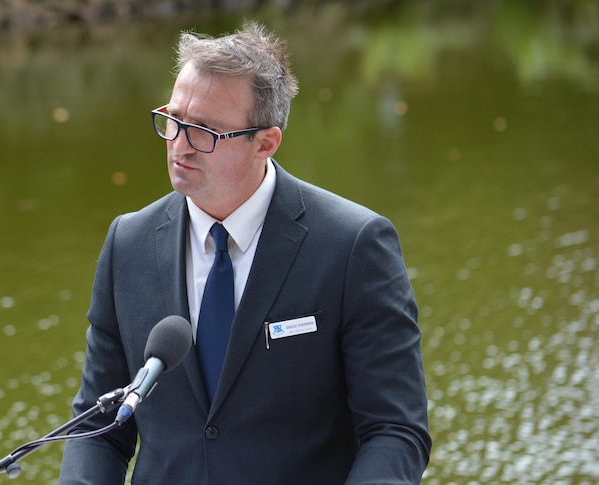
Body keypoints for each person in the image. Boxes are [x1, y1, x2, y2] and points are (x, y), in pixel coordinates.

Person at [59, 21, 431, 484]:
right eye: (173, 121)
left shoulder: (353, 246)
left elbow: (394, 429)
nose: (180, 145)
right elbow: (99, 428)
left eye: (204, 131)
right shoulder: (127, 244)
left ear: (266, 142)